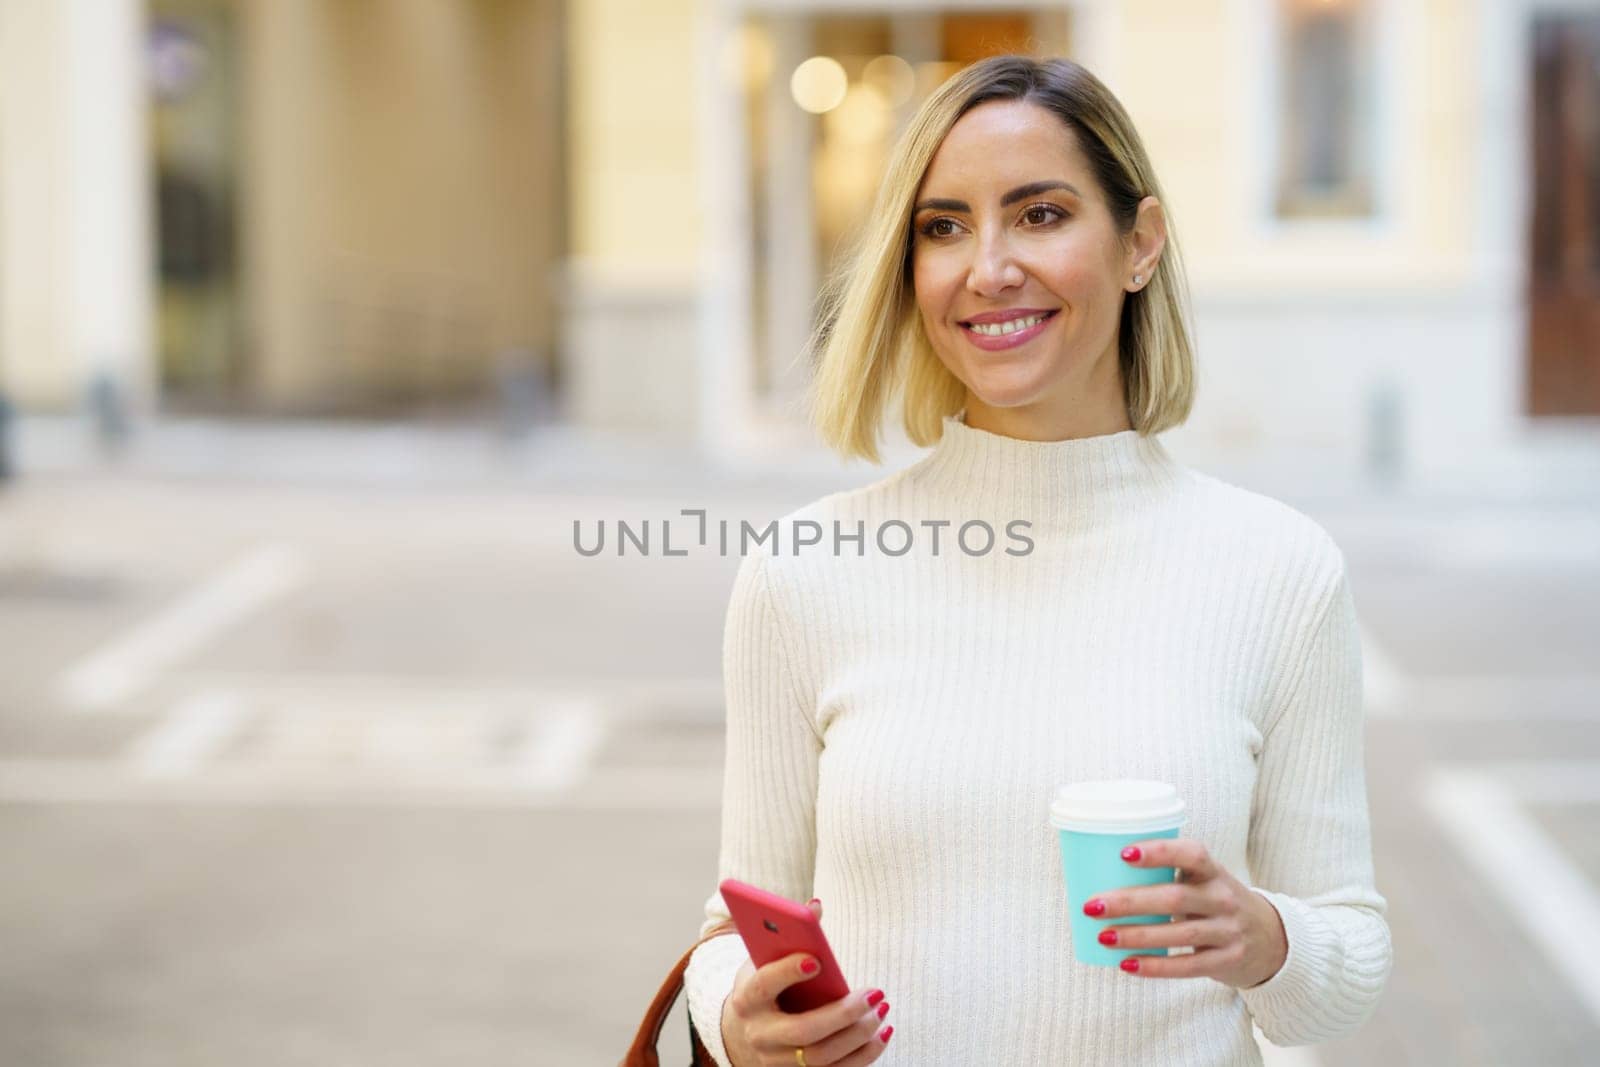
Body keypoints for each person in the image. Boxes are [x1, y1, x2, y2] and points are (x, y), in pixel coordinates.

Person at [684, 54, 1391, 1066]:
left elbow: (1346, 958)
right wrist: (735, 1018)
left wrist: (1267, 940)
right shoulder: (805, 570)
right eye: (943, 227)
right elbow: (730, 922)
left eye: (1041, 214)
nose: (987, 268)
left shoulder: (1279, 571)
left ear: (1138, 243)